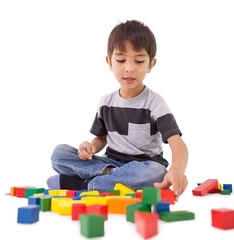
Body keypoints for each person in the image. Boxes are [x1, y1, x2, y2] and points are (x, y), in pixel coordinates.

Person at [47, 19, 188, 200]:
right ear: (109, 61)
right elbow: (101, 138)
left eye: (138, 61)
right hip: (109, 163)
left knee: (157, 172)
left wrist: (176, 171)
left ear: (151, 64)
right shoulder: (106, 102)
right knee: (59, 154)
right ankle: (111, 178)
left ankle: (83, 184)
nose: (129, 68)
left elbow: (178, 144)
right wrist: (90, 147)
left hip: (144, 166)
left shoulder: (155, 103)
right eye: (121, 60)